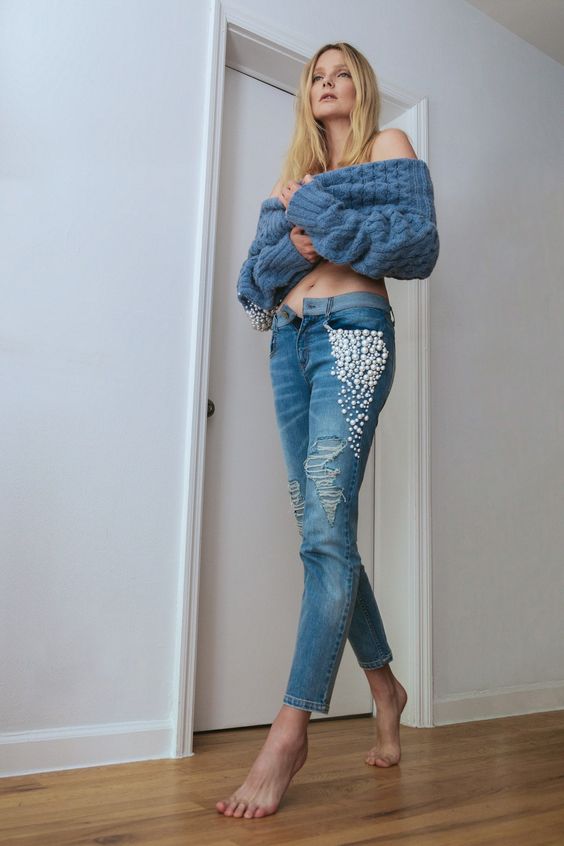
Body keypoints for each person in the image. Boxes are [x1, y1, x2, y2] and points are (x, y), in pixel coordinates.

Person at [217, 41, 439, 820]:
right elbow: (253, 289)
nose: (328, 82)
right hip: (288, 344)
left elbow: (415, 244)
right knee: (325, 529)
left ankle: (289, 733)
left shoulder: (388, 148)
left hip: (352, 333)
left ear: (362, 86)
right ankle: (385, 687)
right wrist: (294, 243)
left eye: (342, 72)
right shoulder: (292, 177)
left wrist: (310, 216)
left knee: (322, 533)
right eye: (317, 75)